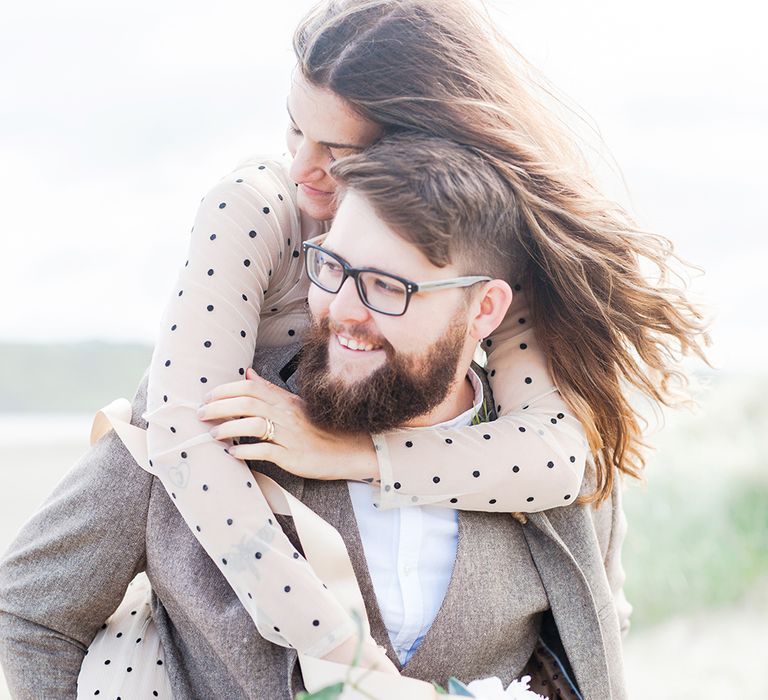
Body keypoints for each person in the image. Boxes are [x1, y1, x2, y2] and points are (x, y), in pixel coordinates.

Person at [136, 0, 708, 669]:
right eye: (295, 131)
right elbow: (184, 434)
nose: (301, 170)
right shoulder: (261, 205)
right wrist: (343, 655)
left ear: (419, 147)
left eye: (337, 150)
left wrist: (352, 452)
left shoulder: (476, 259)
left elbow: (555, 453)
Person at [0, 134, 631, 699]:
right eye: (333, 267)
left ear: (486, 310)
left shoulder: (552, 466)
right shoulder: (203, 417)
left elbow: (591, 644)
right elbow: (30, 608)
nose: (344, 311)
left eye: (389, 288)